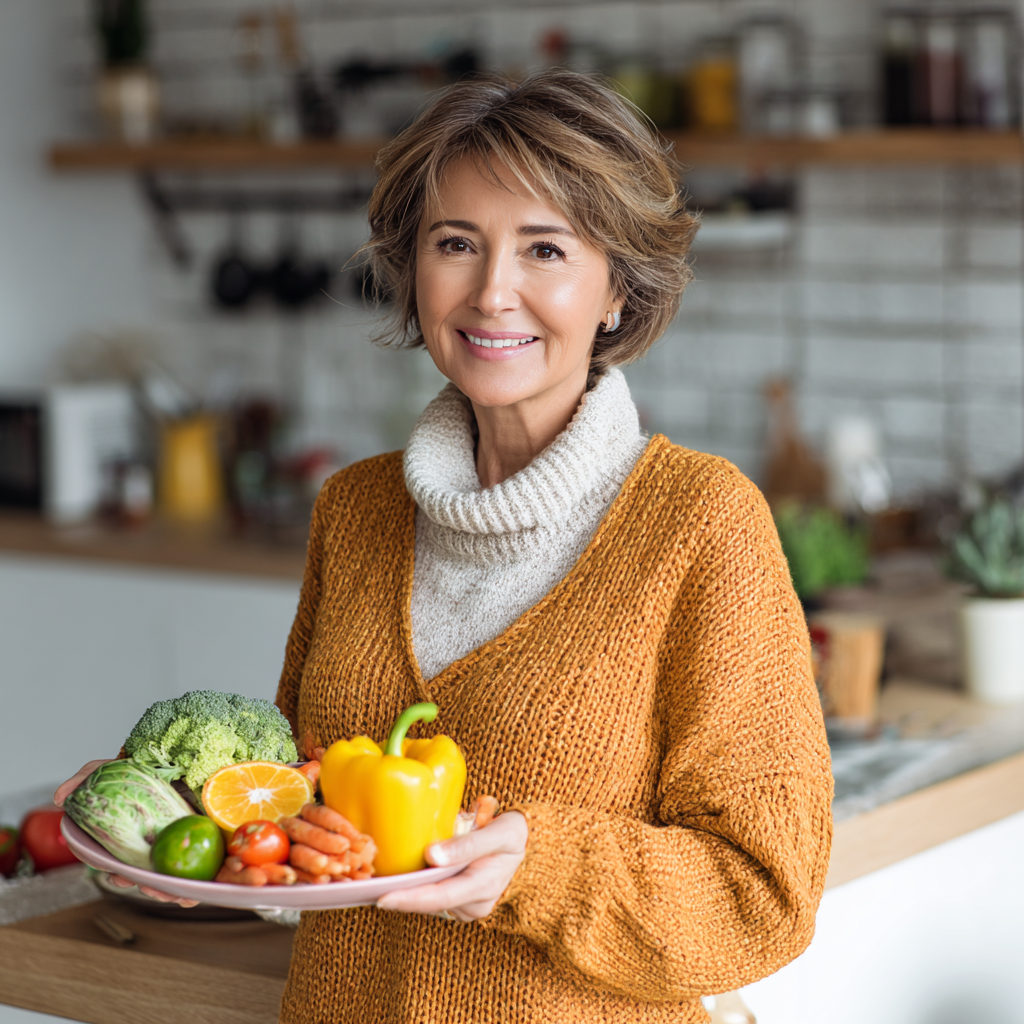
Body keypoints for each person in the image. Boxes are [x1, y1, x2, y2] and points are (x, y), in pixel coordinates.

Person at [59, 69, 832, 1024]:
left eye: (545, 249)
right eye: (455, 244)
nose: (492, 292)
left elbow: (765, 896)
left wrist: (533, 865)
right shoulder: (355, 510)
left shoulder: (699, 523)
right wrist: (181, 820)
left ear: (618, 294)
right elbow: (312, 811)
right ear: (413, 269)